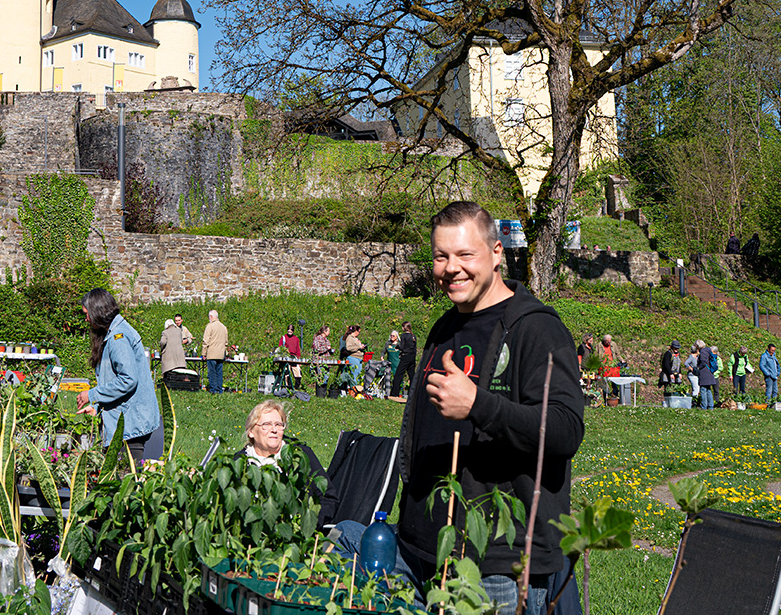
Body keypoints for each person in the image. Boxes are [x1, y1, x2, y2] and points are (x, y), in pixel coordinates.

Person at [337, 202, 585, 615]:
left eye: (465, 254)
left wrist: (478, 405)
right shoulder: (444, 327)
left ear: (497, 252)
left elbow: (563, 430)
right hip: (418, 553)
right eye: (441, 256)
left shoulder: (537, 330)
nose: (452, 268)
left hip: (497, 566)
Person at [74, 289, 161, 463]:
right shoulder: (115, 332)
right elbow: (115, 382)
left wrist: (92, 394)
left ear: (98, 312)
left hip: (130, 424)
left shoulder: (118, 338)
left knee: (125, 482)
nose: (86, 319)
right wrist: (97, 407)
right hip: (127, 419)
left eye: (87, 314)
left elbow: (128, 380)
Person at [243, 399, 339, 526]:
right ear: (251, 432)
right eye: (266, 424)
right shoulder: (241, 463)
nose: (274, 429)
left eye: (278, 424)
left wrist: (309, 523)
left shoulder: (300, 455)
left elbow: (328, 498)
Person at [389, 322, 417, 400]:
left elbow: (402, 346)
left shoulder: (404, 335)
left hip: (405, 357)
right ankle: (413, 394)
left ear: (404, 328)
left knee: (398, 374)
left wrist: (397, 346)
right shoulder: (413, 336)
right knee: (412, 376)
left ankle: (394, 393)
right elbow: (414, 349)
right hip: (412, 357)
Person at [202, 310, 228, 394]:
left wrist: (204, 353)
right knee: (219, 373)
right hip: (220, 354)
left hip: (212, 353)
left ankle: (213, 390)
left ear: (211, 317)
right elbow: (226, 342)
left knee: (212, 373)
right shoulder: (223, 327)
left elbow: (206, 341)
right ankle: (219, 389)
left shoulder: (210, 326)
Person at [696, 340, 716, 409]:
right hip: (709, 371)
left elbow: (703, 362)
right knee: (708, 389)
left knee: (703, 389)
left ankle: (704, 406)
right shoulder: (708, 350)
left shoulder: (703, 352)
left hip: (704, 372)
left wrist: (698, 367)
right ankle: (711, 406)